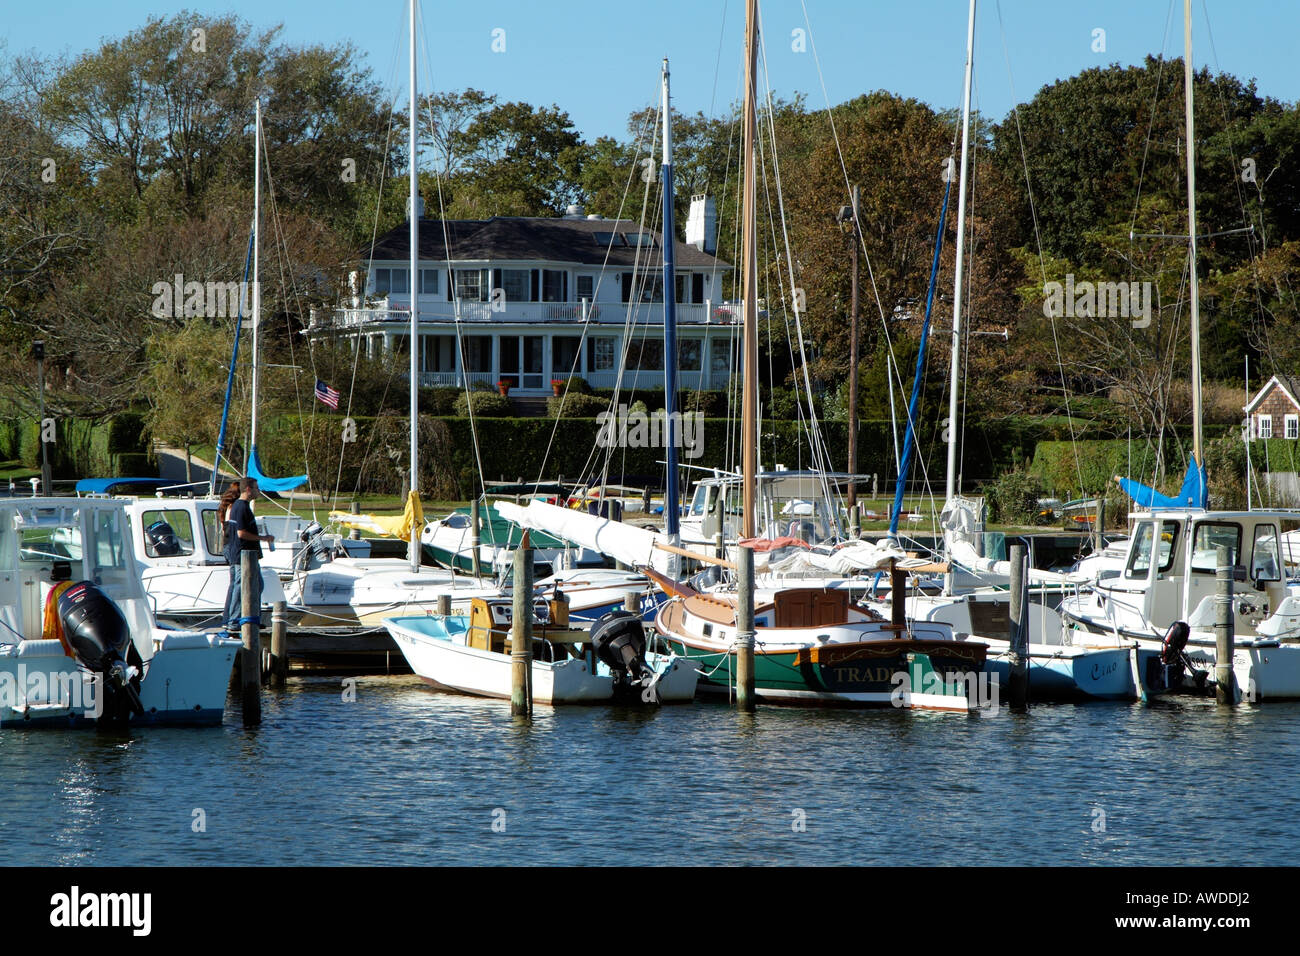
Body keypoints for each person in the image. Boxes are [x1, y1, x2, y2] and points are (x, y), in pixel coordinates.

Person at [223, 477, 275, 635]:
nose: (259, 491)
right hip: (242, 556)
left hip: (246, 556)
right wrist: (264, 539)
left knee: (256, 585)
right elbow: (241, 533)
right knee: (241, 587)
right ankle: (234, 621)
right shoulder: (241, 507)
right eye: (256, 488)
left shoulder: (241, 506)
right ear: (248, 489)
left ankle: (250, 618)